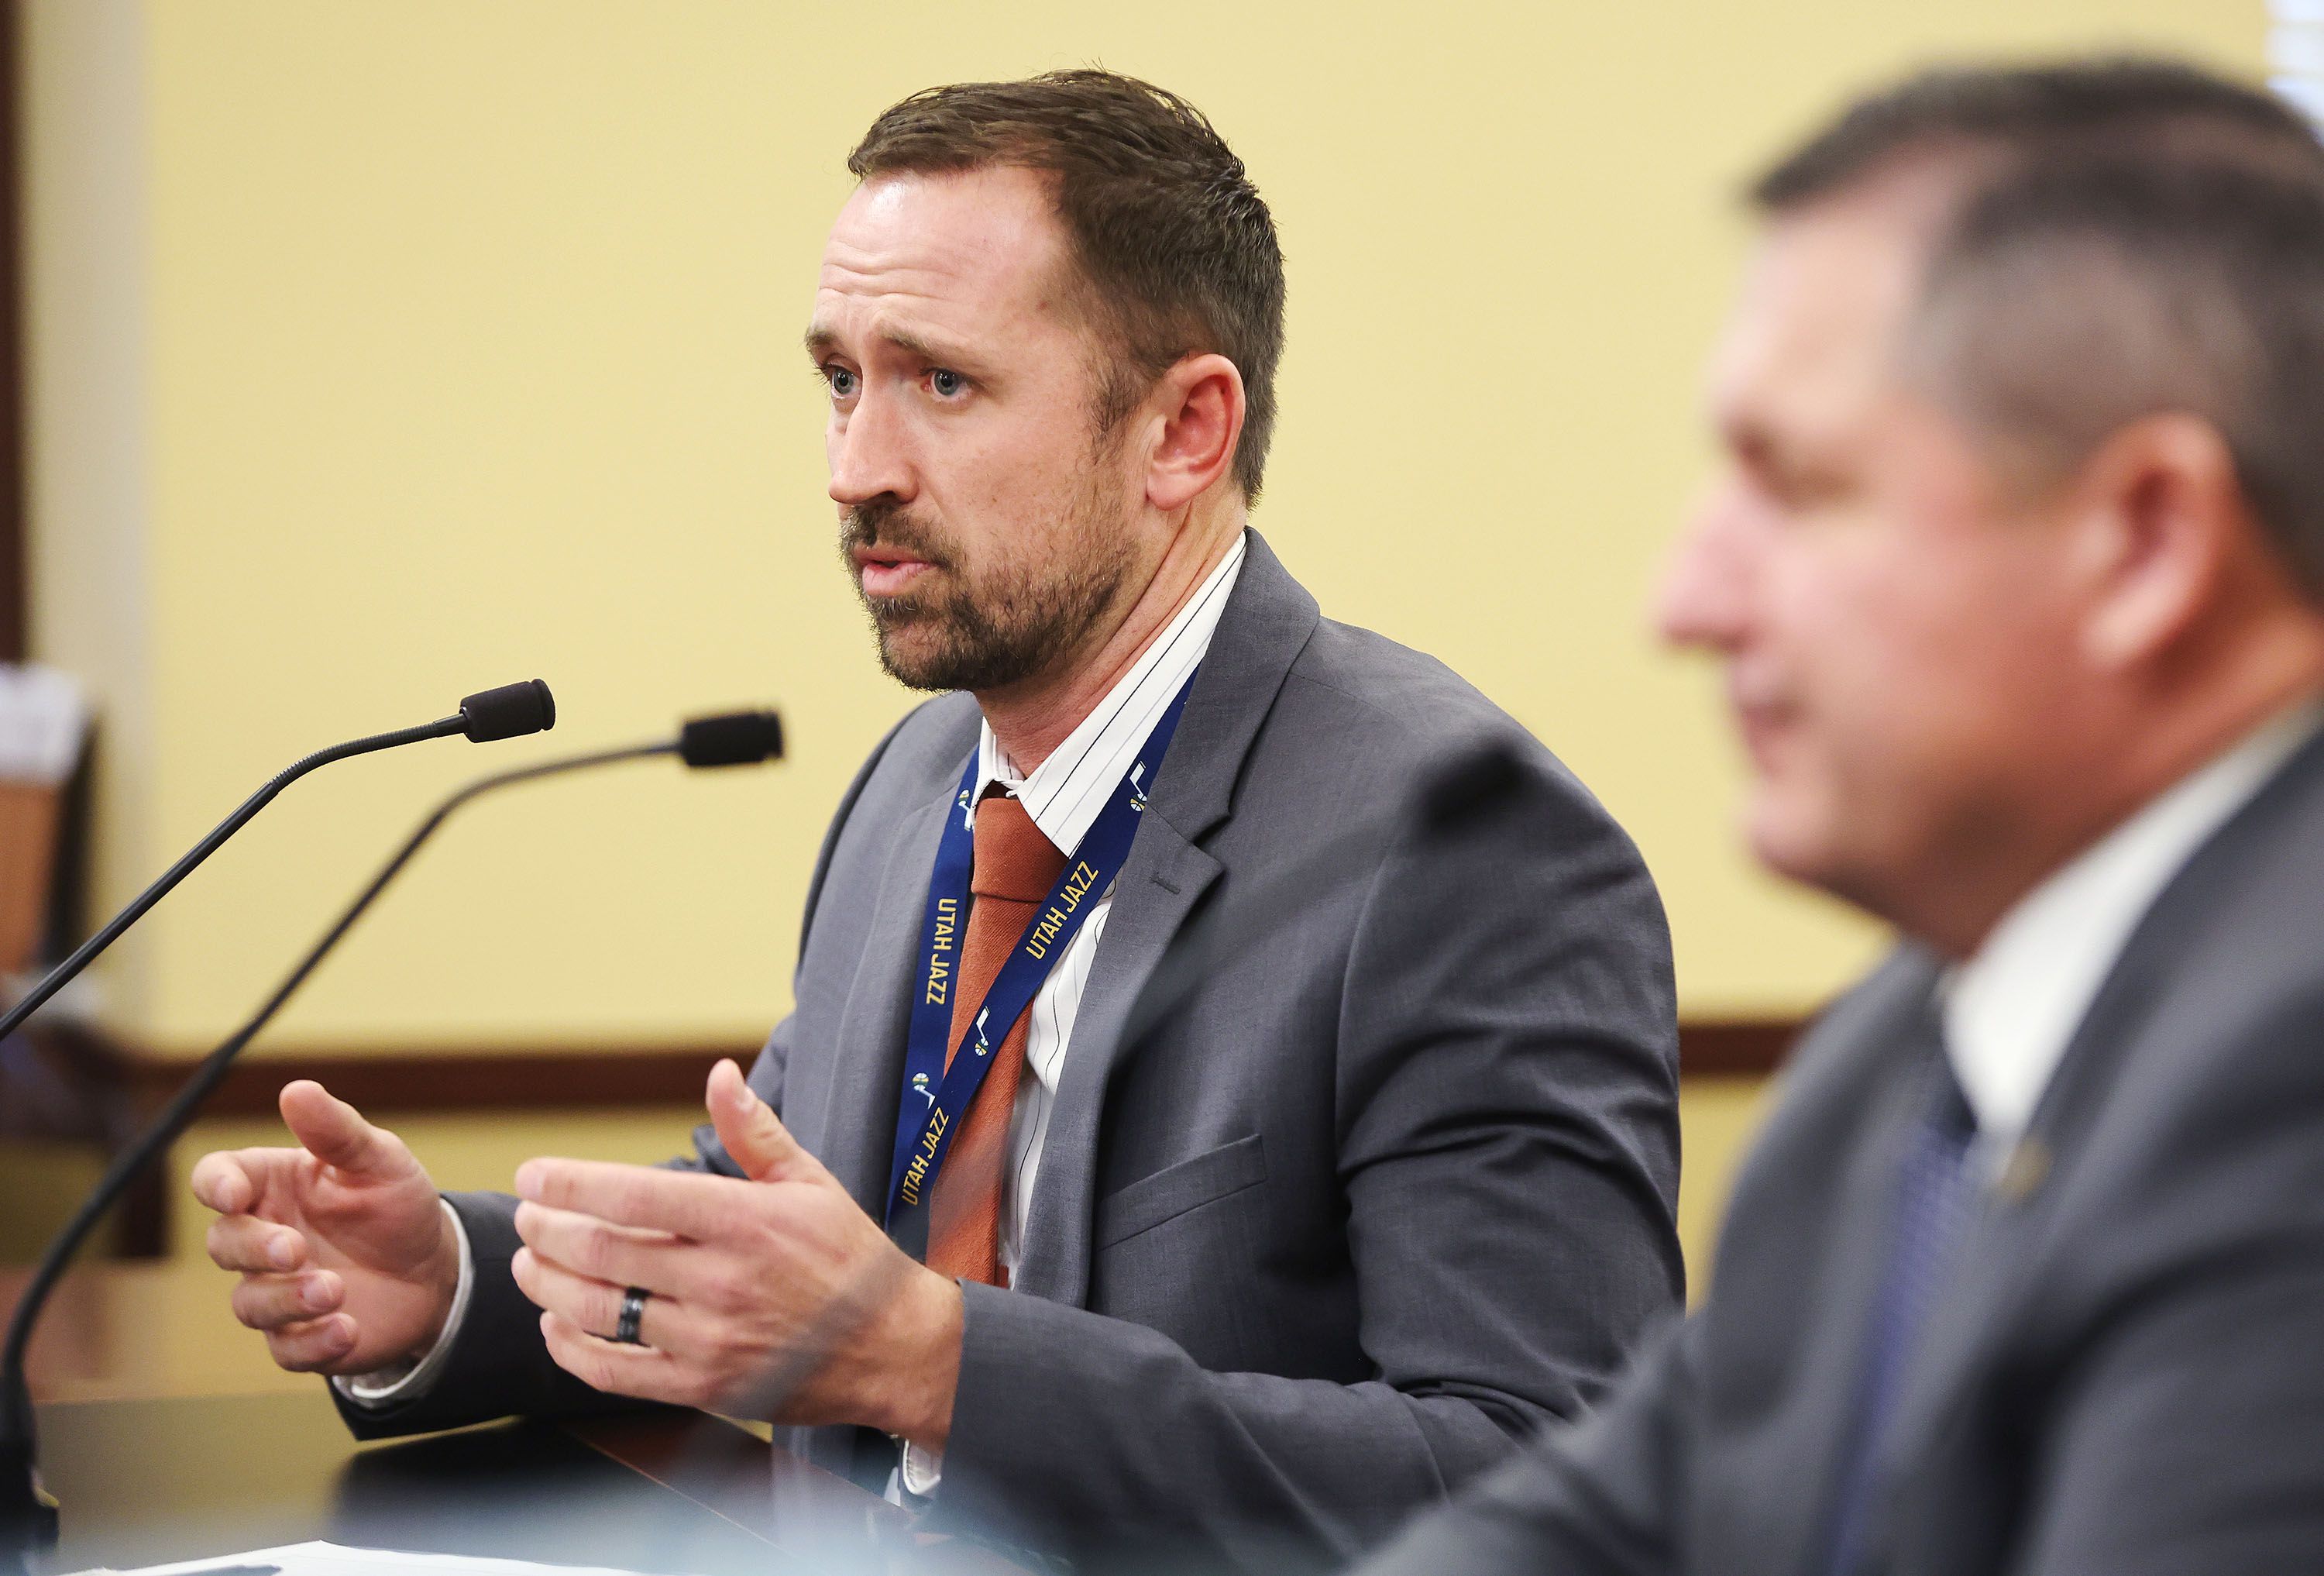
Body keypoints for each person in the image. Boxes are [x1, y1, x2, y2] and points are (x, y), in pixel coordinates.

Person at [191, 71, 1683, 1571]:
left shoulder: (1459, 848)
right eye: (842, 379)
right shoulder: (920, 790)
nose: (857, 471)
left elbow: (1551, 1482)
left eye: (942, 385)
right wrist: (445, 1280)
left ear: (1182, 431)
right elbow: (776, 1246)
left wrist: (939, 1366)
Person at [1361, 57, 2324, 1576]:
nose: (1684, 603)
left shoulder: (2288, 1079)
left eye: (1795, 487)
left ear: (2144, 547)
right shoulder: (1902, 1055)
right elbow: (1581, 1539)